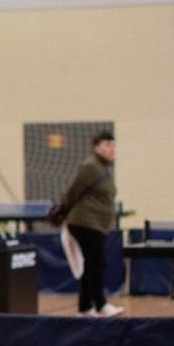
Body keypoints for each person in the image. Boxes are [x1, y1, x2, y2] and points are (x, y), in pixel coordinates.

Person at [62, 131, 122, 317]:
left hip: (96, 225)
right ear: (97, 147)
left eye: (113, 145)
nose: (111, 149)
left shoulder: (104, 169)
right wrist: (64, 212)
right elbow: (73, 191)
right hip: (85, 223)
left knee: (92, 264)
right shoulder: (90, 167)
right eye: (107, 145)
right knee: (96, 263)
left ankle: (85, 307)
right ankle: (100, 305)